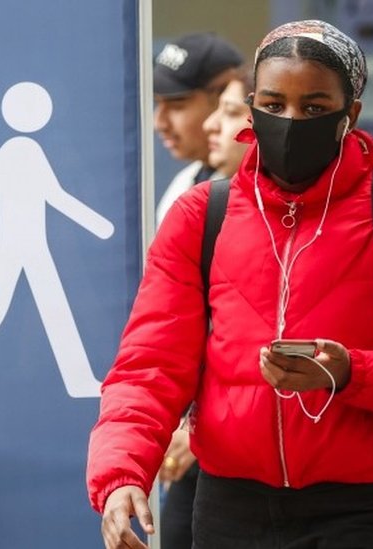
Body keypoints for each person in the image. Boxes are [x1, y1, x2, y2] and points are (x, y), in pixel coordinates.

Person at [88, 20, 373, 549]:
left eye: (315, 107)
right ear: (251, 107)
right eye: (273, 105)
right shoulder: (201, 215)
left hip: (360, 510)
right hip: (230, 507)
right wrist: (120, 476)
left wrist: (351, 372)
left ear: (351, 115)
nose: (291, 120)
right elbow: (149, 367)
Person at [156, 65, 256, 549]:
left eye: (231, 111)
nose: (214, 124)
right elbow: (158, 346)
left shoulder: (362, 218)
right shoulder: (197, 201)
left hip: (240, 454)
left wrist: (196, 432)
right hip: (208, 444)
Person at [153, 33, 243, 223]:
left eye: (177, 105)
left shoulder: (268, 195)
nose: (159, 123)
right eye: (158, 104)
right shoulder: (184, 183)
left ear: (225, 95)